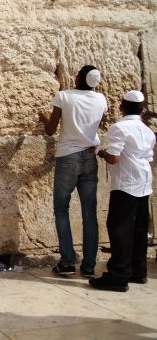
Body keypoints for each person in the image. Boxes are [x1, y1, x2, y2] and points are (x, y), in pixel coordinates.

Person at [38, 65, 107, 277]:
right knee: (89, 212)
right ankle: (88, 266)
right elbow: (99, 123)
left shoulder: (64, 96)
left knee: (61, 209)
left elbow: (51, 129)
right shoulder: (102, 99)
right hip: (90, 156)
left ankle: (67, 262)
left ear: (80, 79)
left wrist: (43, 118)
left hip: (67, 156)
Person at [90, 91, 155, 292]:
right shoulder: (148, 131)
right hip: (144, 183)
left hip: (126, 183)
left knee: (119, 228)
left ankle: (118, 275)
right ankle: (138, 271)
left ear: (121, 107)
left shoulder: (120, 128)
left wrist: (102, 153)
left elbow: (114, 158)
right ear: (142, 109)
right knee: (139, 229)